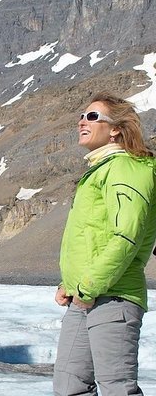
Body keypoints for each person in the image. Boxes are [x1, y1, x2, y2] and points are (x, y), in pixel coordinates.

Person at [53, 92, 156, 395]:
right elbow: (92, 235)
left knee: (116, 389)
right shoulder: (100, 170)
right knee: (69, 386)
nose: (82, 122)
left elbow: (126, 235)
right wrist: (70, 283)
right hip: (84, 296)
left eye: (93, 116)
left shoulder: (126, 168)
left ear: (115, 129)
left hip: (114, 296)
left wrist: (88, 286)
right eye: (81, 116)